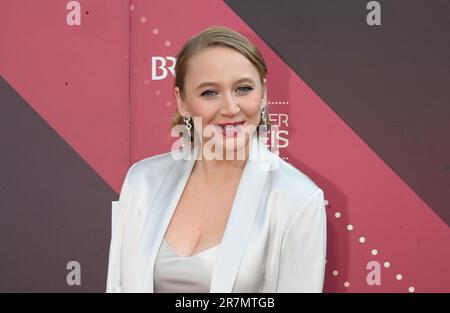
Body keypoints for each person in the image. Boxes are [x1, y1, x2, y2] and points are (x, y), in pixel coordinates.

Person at [106, 26, 327, 293]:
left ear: (264, 94)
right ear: (182, 102)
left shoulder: (298, 198)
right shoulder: (142, 181)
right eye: (209, 93)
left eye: (243, 89)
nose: (230, 108)